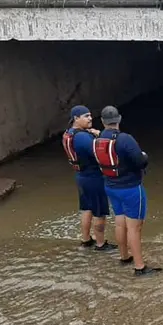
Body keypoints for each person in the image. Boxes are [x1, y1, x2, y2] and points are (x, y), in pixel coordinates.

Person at [94, 106, 161, 277]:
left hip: (110, 186)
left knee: (119, 222)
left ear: (102, 121)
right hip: (130, 188)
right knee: (135, 228)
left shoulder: (99, 138)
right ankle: (140, 267)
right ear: (119, 119)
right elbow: (140, 161)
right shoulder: (125, 139)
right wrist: (145, 155)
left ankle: (124, 256)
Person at [61, 105, 116, 252]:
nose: (90, 118)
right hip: (94, 178)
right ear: (76, 118)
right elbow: (99, 152)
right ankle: (100, 244)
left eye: (90, 115)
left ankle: (86, 239)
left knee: (87, 209)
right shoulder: (82, 137)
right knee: (99, 212)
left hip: (81, 176)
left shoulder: (70, 133)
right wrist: (100, 135)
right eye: (86, 116)